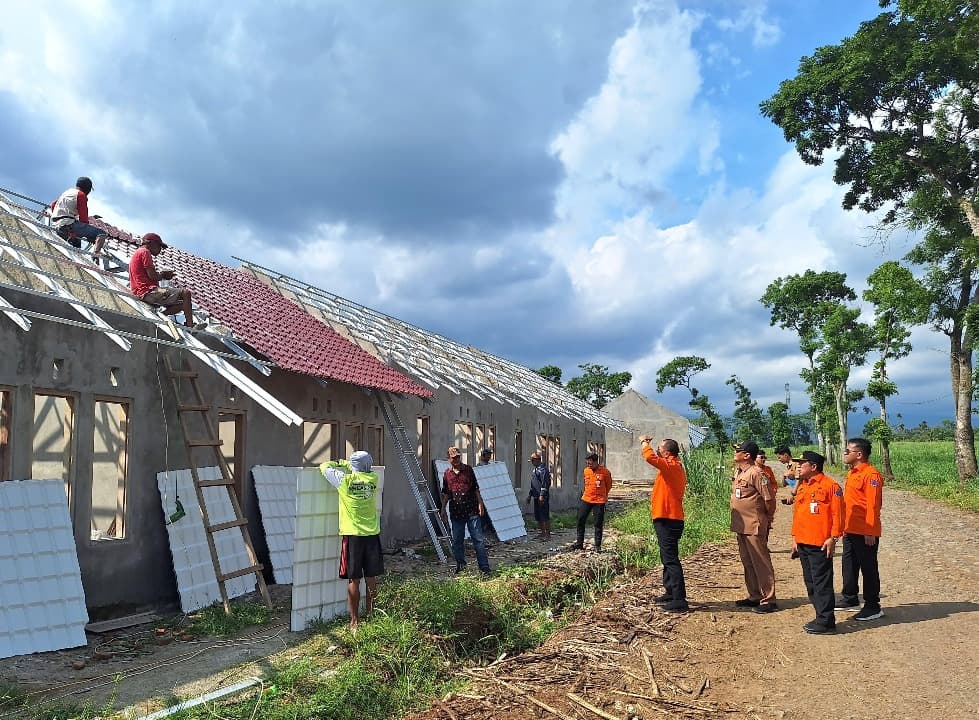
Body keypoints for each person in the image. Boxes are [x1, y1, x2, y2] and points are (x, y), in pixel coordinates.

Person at [319, 451, 383, 631]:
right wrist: (353, 465)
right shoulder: (373, 479)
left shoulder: (344, 481)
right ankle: (372, 615)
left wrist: (341, 462)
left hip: (353, 535)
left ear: (352, 466)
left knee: (354, 580)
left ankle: (354, 622)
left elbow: (324, 467)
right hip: (371, 534)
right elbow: (363, 469)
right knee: (371, 577)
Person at [791, 450, 843, 634]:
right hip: (803, 541)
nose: (797, 467)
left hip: (820, 542)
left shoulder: (830, 486)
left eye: (801, 464)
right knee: (811, 582)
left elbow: (838, 514)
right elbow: (798, 514)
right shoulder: (803, 486)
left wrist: (833, 537)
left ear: (813, 467)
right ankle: (820, 615)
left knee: (822, 582)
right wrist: (794, 538)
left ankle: (827, 621)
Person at [835, 437, 885, 621]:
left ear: (859, 454)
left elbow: (873, 505)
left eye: (848, 451)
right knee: (849, 565)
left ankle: (873, 606)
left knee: (868, 568)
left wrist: (871, 530)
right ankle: (850, 598)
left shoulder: (871, 475)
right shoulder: (852, 473)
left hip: (865, 530)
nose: (845, 453)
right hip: (850, 528)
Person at [640, 435, 689, 612]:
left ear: (667, 453)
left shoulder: (671, 466)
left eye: (660, 449)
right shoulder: (671, 467)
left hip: (669, 519)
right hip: (668, 517)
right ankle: (670, 591)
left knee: (670, 559)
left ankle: (679, 599)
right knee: (666, 557)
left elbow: (649, 457)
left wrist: (644, 442)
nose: (658, 450)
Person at [730, 440, 778, 614]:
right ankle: (754, 596)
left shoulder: (757, 473)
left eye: (738, 451)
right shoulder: (740, 472)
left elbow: (769, 499)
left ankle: (769, 599)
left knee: (760, 561)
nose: (735, 453)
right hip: (741, 525)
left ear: (746, 455)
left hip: (754, 524)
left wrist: (767, 517)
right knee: (748, 562)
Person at [128, 233, 196, 328]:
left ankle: (162, 315)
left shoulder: (137, 253)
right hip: (149, 291)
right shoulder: (145, 252)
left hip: (142, 292)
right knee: (186, 293)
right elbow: (153, 276)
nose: (160, 249)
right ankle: (190, 326)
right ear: (150, 243)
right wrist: (163, 275)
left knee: (184, 304)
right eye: (159, 246)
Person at [440, 447, 491, 574]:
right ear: (449, 459)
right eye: (453, 457)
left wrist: (480, 504)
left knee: (478, 539)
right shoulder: (447, 474)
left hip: (472, 510)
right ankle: (461, 566)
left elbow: (475, 488)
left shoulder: (468, 470)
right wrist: (442, 509)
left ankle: (484, 568)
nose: (456, 459)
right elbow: (446, 493)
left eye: (458, 457)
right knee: (457, 540)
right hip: (456, 512)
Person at [48, 177, 108, 257]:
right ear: (87, 188)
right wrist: (89, 234)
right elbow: (83, 218)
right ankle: (96, 253)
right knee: (101, 233)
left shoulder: (67, 192)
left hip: (56, 225)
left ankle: (78, 256)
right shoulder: (81, 195)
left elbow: (53, 205)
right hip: (68, 225)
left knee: (77, 243)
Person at [572, 453, 612, 552]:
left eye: (590, 463)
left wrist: (603, 495)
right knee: (580, 519)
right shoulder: (586, 471)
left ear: (595, 462)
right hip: (586, 499)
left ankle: (597, 546)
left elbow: (609, 485)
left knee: (598, 523)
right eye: (587, 463)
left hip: (599, 501)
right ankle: (579, 543)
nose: (588, 465)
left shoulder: (605, 472)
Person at [526, 451, 552, 540]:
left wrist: (542, 495)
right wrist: (530, 495)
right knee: (538, 515)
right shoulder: (535, 470)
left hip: (542, 497)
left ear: (537, 460)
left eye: (533, 460)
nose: (532, 462)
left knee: (544, 514)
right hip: (536, 495)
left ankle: (548, 534)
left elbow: (545, 484)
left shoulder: (543, 470)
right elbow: (533, 484)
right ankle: (542, 532)